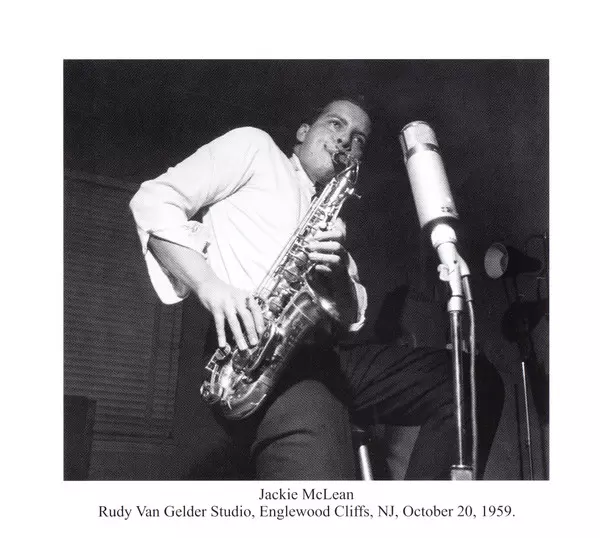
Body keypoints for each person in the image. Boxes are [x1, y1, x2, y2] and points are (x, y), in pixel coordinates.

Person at [130, 96, 502, 479]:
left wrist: (338, 269)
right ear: (303, 132)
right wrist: (209, 285)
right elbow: (154, 201)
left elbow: (352, 317)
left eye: (358, 139)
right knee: (321, 437)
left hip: (328, 357)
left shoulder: (332, 222)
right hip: (256, 349)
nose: (345, 141)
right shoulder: (255, 147)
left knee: (473, 382)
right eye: (335, 124)